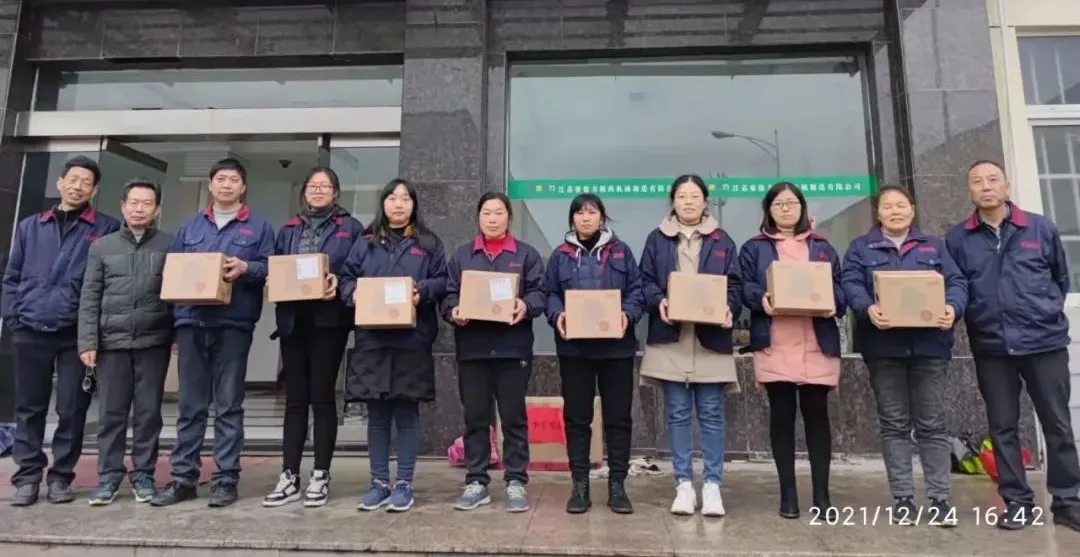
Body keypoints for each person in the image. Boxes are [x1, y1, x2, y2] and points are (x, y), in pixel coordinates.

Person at [945, 160, 1080, 531]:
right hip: (992, 347)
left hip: (1044, 343)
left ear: (1006, 186)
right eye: (977, 181)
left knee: (1057, 424)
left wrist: (1043, 312)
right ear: (969, 191)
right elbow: (957, 286)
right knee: (1002, 427)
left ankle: (1068, 501)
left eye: (993, 180)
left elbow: (1060, 278)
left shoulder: (1039, 227)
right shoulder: (958, 239)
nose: (986, 186)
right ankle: (1018, 502)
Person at [152, 158, 275, 509]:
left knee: (228, 405)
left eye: (233, 180)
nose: (226, 185)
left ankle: (225, 479)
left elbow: (272, 267)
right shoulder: (189, 227)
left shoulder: (259, 227)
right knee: (190, 406)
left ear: (243, 187)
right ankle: (183, 478)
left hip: (234, 324)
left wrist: (246, 267)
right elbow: (173, 273)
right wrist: (174, 326)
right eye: (221, 179)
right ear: (210, 184)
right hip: (191, 323)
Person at [841, 185, 967, 525]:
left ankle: (939, 500)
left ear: (912, 209)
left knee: (932, 424)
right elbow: (850, 283)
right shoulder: (861, 248)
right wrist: (867, 308)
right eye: (888, 206)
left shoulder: (934, 246)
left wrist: (952, 307)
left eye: (901, 205)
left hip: (930, 347)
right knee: (894, 424)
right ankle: (903, 500)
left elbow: (957, 283)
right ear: (878, 213)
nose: (895, 211)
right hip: (884, 348)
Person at [3, 156, 121, 506]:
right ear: (60, 183)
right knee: (29, 407)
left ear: (94, 190)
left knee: (72, 409)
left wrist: (92, 332)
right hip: (30, 329)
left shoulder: (106, 227)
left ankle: (61, 477)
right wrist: (13, 317)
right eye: (73, 179)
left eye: (86, 182)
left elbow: (107, 284)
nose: (78, 186)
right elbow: (11, 276)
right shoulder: (30, 226)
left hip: (75, 335)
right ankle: (27, 477)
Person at [338, 178, 447, 513]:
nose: (398, 204)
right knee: (377, 414)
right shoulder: (365, 242)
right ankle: (378, 482)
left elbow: (443, 281)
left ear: (414, 205)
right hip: (372, 339)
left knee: (407, 413)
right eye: (392, 198)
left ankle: (404, 483)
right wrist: (353, 293)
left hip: (411, 339)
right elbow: (346, 279)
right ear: (383, 203)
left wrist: (422, 291)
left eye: (405, 199)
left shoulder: (428, 243)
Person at [739, 181, 844, 519]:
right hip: (776, 340)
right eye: (778, 204)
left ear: (802, 208)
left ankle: (822, 496)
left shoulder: (823, 246)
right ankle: (788, 494)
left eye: (791, 203)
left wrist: (833, 301)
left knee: (817, 417)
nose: (785, 209)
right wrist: (761, 299)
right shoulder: (754, 248)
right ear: (768, 210)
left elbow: (841, 288)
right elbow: (743, 286)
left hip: (816, 341)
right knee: (781, 417)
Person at [639, 175, 741, 517]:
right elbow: (645, 281)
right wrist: (659, 301)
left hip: (710, 339)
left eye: (694, 196)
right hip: (672, 339)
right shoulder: (657, 239)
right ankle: (683, 484)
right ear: (673, 201)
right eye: (682, 196)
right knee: (678, 414)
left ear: (705, 201)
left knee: (711, 414)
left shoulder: (722, 239)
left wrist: (729, 308)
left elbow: (735, 285)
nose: (688, 202)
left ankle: (712, 485)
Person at [262, 167, 362, 508]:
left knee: (322, 397)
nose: (318, 191)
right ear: (304, 191)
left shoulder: (351, 228)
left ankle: (321, 473)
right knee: (295, 400)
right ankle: (289, 474)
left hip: (329, 322)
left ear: (335, 192)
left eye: (325, 186)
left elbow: (358, 270)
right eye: (313, 186)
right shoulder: (289, 228)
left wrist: (339, 282)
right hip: (293, 321)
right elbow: (275, 266)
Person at [441, 192, 545, 513]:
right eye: (487, 213)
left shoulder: (525, 255)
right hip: (473, 349)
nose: (493, 219)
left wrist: (525, 305)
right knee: (475, 418)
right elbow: (447, 296)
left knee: (513, 418)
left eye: (499, 212)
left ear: (508, 217)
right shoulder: (462, 256)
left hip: (512, 349)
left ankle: (516, 481)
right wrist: (453, 311)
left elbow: (540, 293)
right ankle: (477, 480)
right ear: (478, 217)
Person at [545, 193, 643, 515]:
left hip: (616, 350)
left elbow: (637, 291)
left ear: (602, 217)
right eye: (579, 213)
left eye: (591, 212)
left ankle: (617, 485)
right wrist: (557, 314)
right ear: (572, 219)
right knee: (577, 419)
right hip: (575, 350)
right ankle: (580, 486)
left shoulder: (621, 251)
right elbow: (550, 293)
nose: (585, 218)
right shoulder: (560, 256)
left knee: (618, 419)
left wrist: (627, 315)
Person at [78, 180, 175, 506]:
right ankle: (108, 477)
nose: (139, 209)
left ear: (157, 209)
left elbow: (177, 294)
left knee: (148, 414)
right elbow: (89, 297)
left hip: (154, 341)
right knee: (111, 414)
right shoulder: (101, 247)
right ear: (123, 206)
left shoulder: (169, 245)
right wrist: (87, 341)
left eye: (146, 203)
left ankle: (144, 475)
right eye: (133, 202)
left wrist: (176, 335)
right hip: (111, 343)